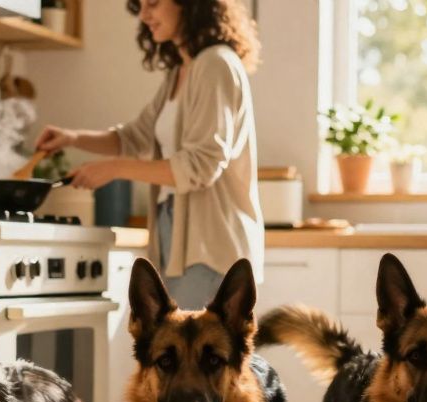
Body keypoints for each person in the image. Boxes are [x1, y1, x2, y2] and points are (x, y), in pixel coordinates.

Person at [35, 0, 263, 309]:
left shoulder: (215, 65)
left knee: (191, 357)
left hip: (210, 244)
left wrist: (113, 169)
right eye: (140, 5)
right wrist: (72, 138)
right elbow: (134, 137)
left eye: (153, 3)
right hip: (174, 234)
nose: (144, 15)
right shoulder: (181, 72)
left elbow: (202, 165)